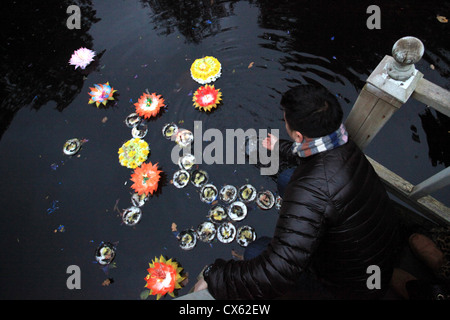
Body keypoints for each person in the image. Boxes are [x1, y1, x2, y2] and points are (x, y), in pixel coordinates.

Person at [193, 84, 399, 299]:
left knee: (255, 251)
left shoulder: (310, 191)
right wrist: (279, 147)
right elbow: (311, 150)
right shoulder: (344, 144)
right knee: (285, 178)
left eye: (285, 121)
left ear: (299, 135)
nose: (284, 123)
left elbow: (275, 273)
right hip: (378, 257)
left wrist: (214, 275)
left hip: (353, 288)